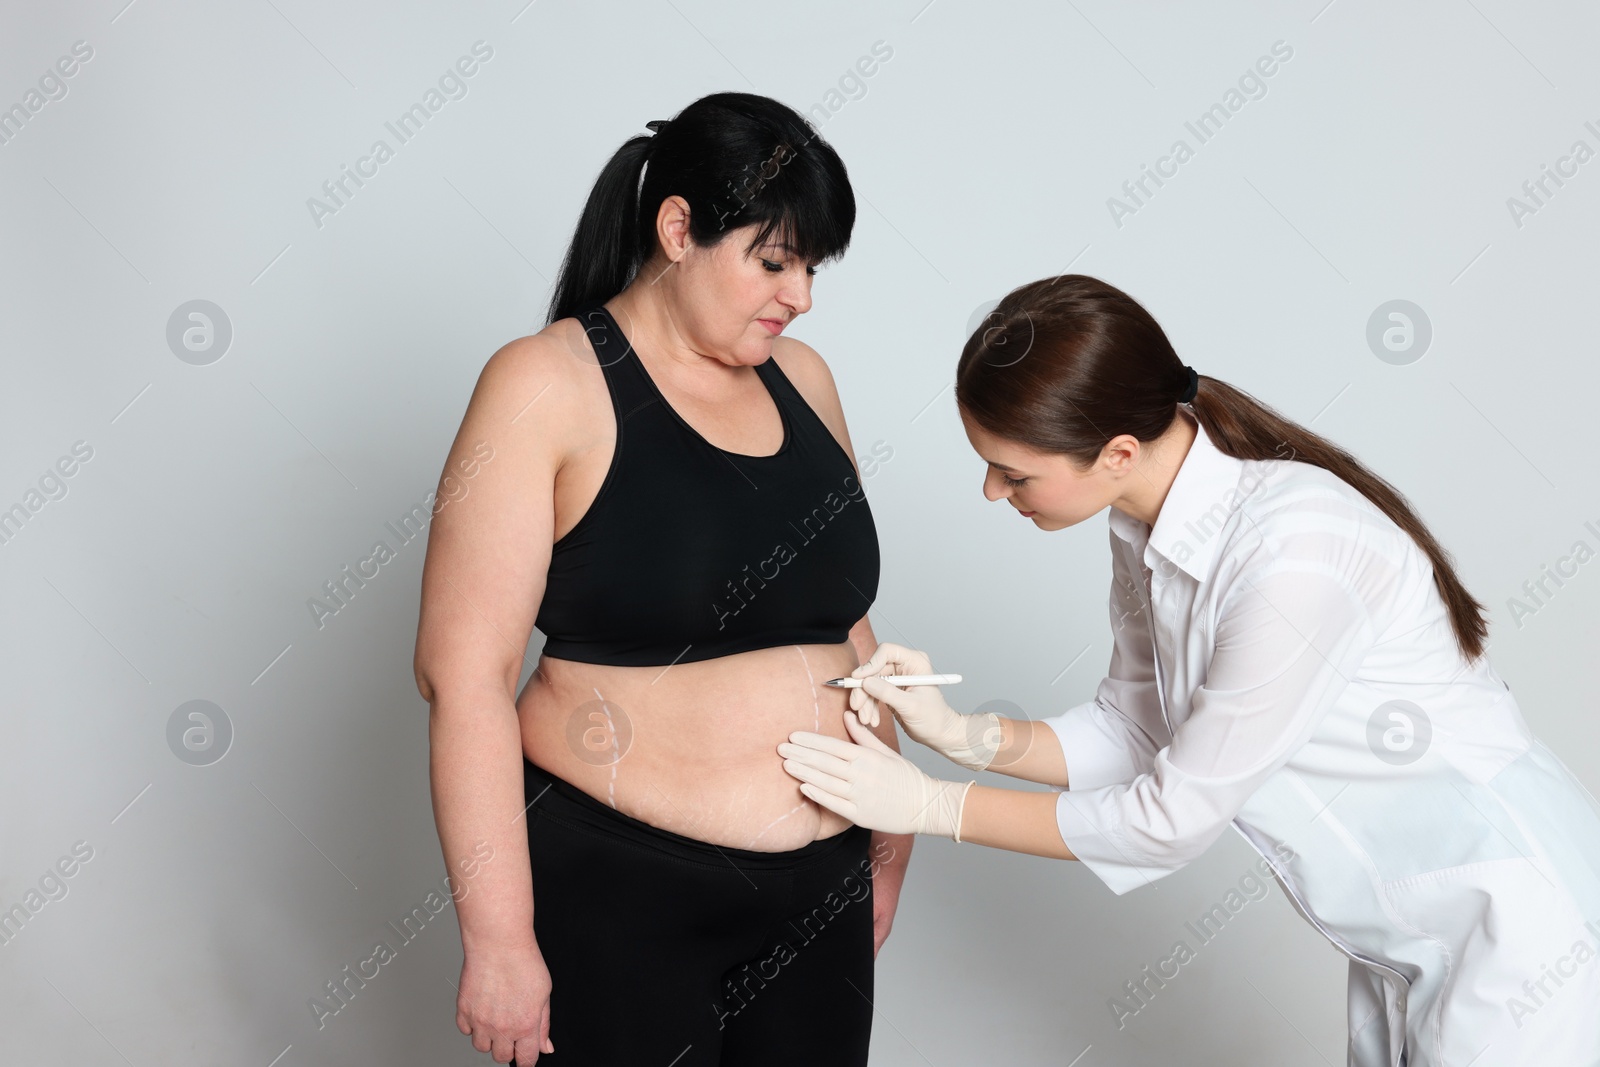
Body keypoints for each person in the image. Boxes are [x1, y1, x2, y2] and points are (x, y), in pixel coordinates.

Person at [778, 275, 1600, 1067]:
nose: (992, 491)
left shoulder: (1293, 554)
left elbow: (1169, 820)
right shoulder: (1144, 527)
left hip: (1514, 928)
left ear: (1117, 451)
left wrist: (928, 805)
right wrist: (968, 735)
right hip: (1406, 937)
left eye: (1013, 471)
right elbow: (1135, 730)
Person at [413, 92, 910, 1066]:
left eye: (812, 267)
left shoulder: (804, 380)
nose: (800, 294)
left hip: (823, 893)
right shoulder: (544, 386)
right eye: (773, 261)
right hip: (620, 890)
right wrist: (500, 937)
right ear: (679, 228)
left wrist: (892, 839)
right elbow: (462, 678)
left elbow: (847, 627)